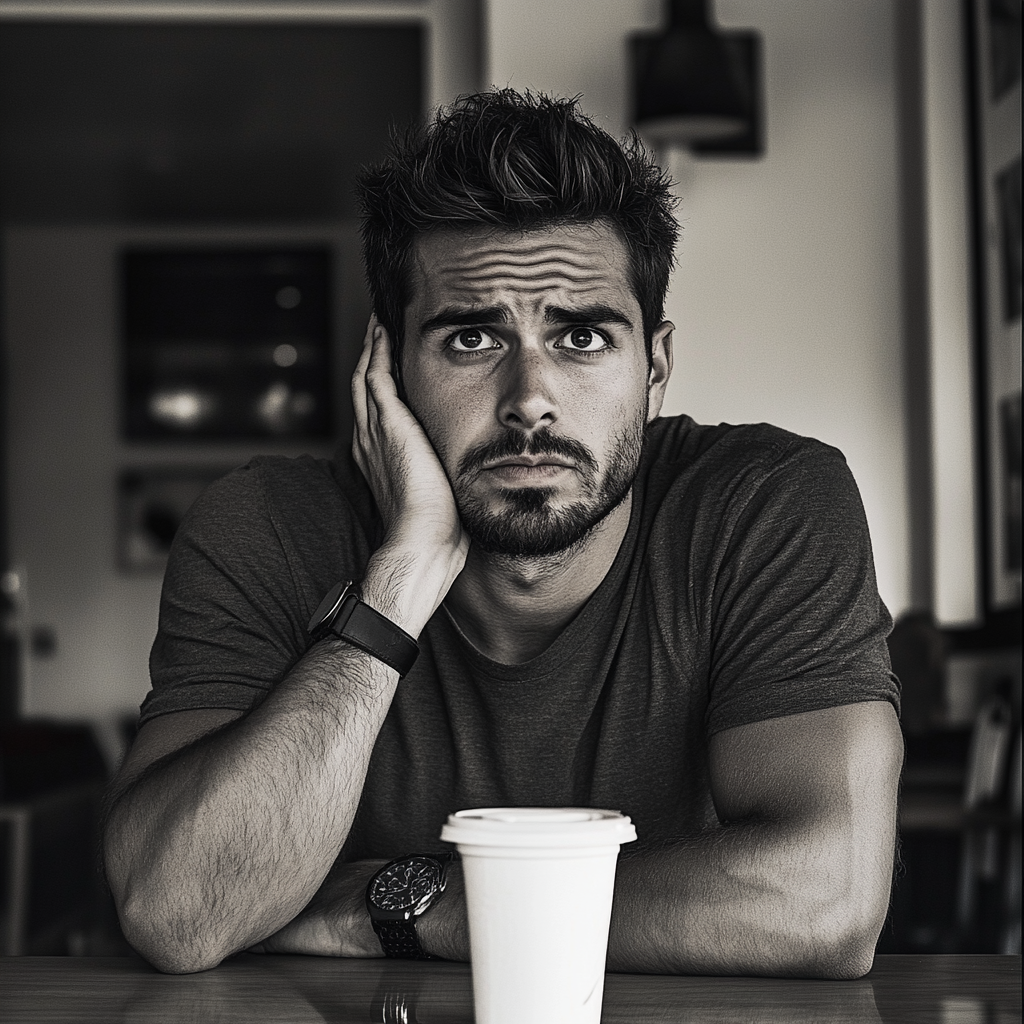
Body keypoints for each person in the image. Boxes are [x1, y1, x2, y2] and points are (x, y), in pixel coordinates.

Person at [102, 90, 903, 979]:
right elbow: (174, 909)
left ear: (657, 368)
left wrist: (402, 906)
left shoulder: (766, 504)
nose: (529, 399)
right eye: (473, 337)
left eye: (585, 337)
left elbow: (826, 903)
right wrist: (401, 579)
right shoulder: (265, 526)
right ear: (391, 368)